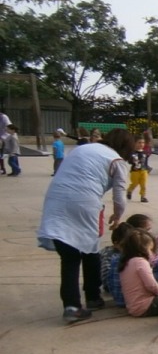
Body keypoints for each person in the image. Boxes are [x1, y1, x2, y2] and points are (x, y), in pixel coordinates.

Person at [37, 128, 135, 322]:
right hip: (84, 203)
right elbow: (120, 196)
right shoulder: (117, 160)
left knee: (69, 256)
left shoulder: (83, 148)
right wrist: (117, 215)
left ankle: (71, 305)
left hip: (55, 199)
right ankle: (92, 297)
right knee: (90, 249)